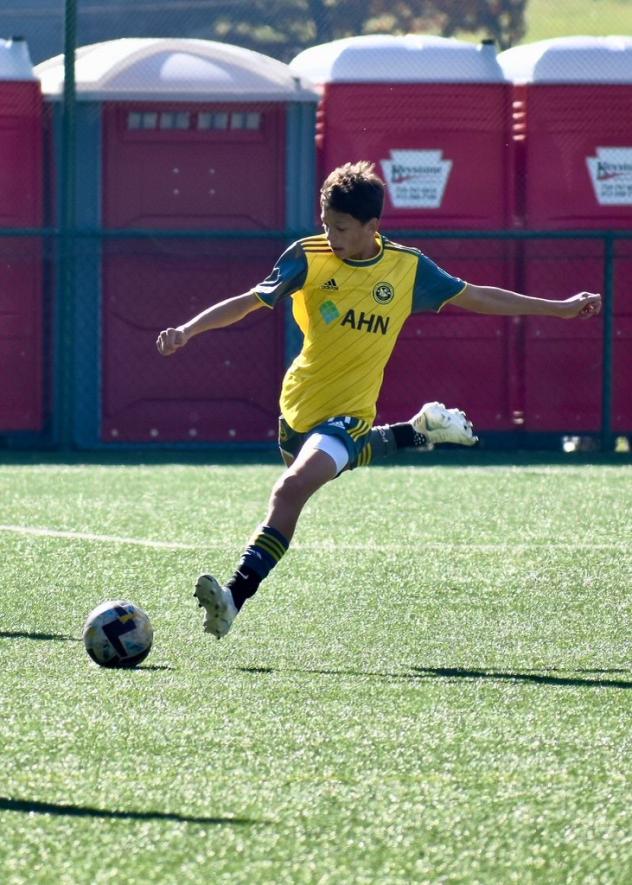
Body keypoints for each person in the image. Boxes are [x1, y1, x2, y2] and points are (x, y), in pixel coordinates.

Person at [156, 161, 602, 639]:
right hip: (297, 407)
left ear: (373, 227)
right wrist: (188, 329)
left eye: (342, 228)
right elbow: (249, 300)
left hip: (348, 414)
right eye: (326, 224)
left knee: (291, 490)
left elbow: (478, 297)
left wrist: (558, 308)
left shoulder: (406, 269)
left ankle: (232, 598)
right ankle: (418, 431)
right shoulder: (307, 257)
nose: (331, 236)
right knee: (310, 475)